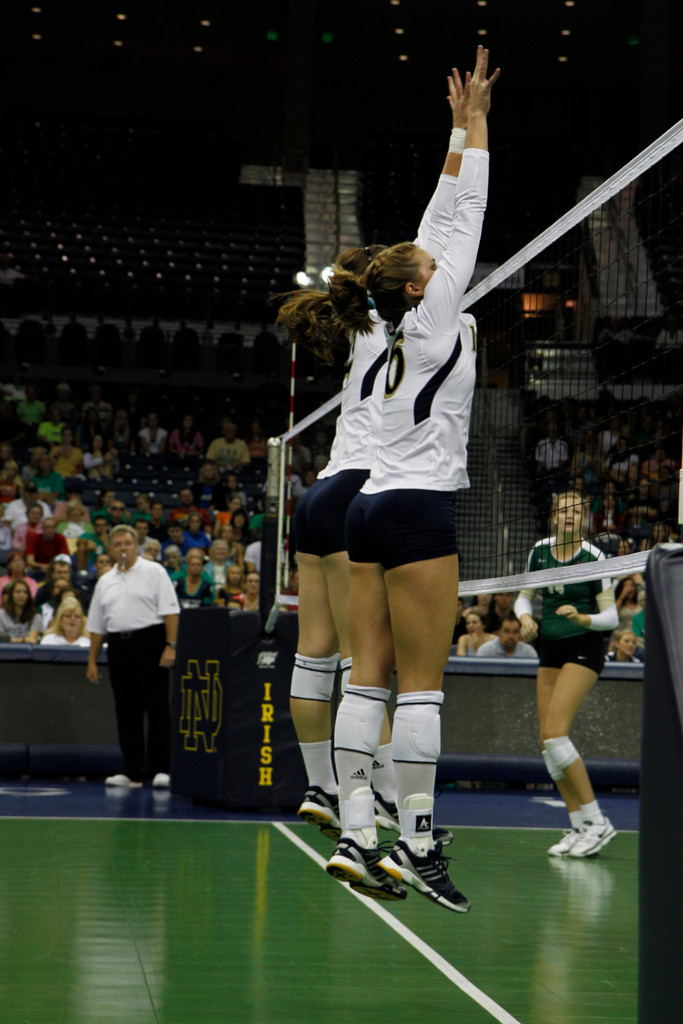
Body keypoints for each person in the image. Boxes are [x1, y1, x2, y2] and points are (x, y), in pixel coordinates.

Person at [281, 49, 497, 908]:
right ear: (418, 282)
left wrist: (458, 124)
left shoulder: (391, 311)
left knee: (362, 675)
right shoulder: (437, 312)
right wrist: (477, 124)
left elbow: (439, 218)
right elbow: (464, 208)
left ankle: (360, 829)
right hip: (412, 506)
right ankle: (414, 842)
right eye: (427, 260)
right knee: (422, 686)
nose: (437, 257)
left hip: (364, 505)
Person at [515, 489, 619, 858]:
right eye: (564, 510)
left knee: (557, 735)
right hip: (550, 647)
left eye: (577, 511)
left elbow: (613, 616)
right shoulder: (540, 550)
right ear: (554, 516)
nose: (570, 515)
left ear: (585, 518)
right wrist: (525, 617)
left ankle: (597, 820)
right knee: (546, 742)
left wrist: (583, 617)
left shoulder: (595, 557)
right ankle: (578, 827)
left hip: (585, 645)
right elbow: (523, 596)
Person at [86, 524, 180, 788]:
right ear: (111, 549)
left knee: (157, 707)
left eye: (127, 543)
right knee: (126, 709)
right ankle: (130, 770)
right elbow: (96, 626)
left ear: (136, 545)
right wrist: (92, 660)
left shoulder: (154, 571)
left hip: (151, 641)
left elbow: (171, 611)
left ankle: (162, 768)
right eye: (117, 545)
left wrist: (170, 645)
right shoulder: (105, 580)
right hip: (118, 645)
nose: (123, 548)